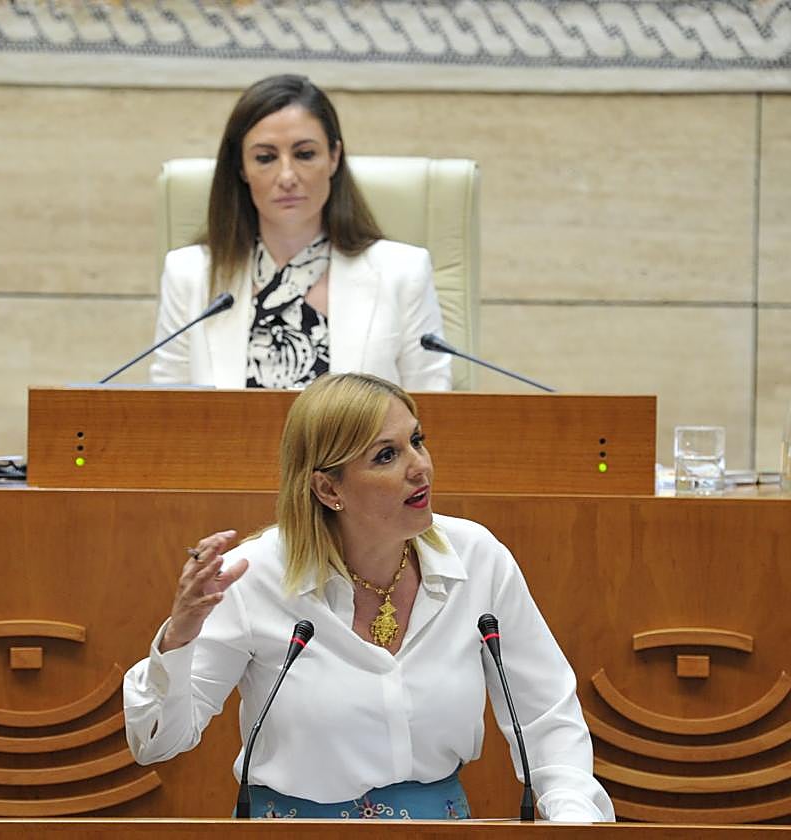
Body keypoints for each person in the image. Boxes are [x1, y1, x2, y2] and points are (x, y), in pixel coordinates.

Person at [123, 373, 614, 821]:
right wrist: (181, 635)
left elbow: (546, 715)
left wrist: (573, 822)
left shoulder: (478, 559)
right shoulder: (254, 576)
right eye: (386, 455)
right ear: (327, 488)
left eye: (416, 441)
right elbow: (158, 741)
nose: (419, 467)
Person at [149, 75, 451, 391]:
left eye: (305, 154)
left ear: (334, 157)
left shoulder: (402, 273)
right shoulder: (189, 275)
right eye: (265, 158)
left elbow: (430, 406)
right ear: (241, 168)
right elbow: (166, 410)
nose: (287, 176)